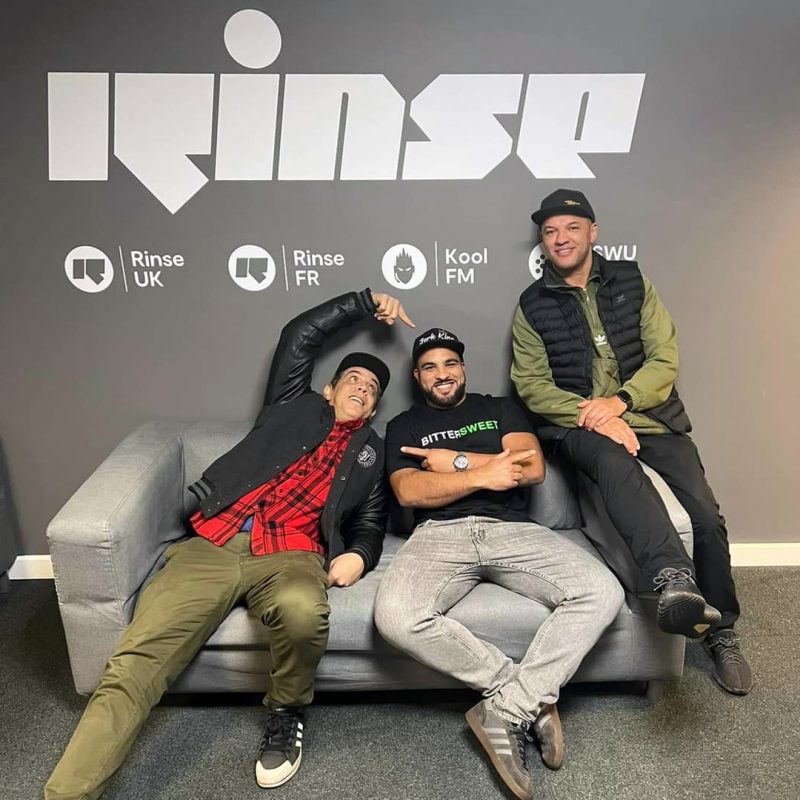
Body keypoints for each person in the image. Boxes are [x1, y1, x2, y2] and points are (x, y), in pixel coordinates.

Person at [45, 288, 415, 800]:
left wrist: (360, 554)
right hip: (215, 541)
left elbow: (371, 522)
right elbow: (299, 336)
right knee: (135, 663)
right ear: (329, 390)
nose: (362, 388)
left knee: (304, 611)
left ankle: (287, 711)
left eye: (372, 389)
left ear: (372, 409)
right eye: (353, 378)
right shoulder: (292, 405)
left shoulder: (371, 452)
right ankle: (67, 793)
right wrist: (361, 302)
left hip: (292, 554)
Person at [511, 188, 752, 695]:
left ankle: (722, 631)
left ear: (592, 232)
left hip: (650, 416)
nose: (560, 239)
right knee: (614, 464)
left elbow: (665, 358)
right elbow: (532, 386)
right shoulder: (531, 305)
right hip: (577, 426)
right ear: (543, 242)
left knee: (705, 517)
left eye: (571, 228)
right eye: (550, 232)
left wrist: (620, 403)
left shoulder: (633, 281)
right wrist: (593, 415)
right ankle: (673, 579)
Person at [374, 328, 624, 800]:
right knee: (395, 616)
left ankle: (506, 710)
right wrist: (489, 471)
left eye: (450, 363)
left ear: (463, 368)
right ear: (418, 377)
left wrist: (456, 463)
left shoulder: (499, 409)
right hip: (439, 535)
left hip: (512, 530)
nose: (442, 373)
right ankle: (524, 696)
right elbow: (408, 491)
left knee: (602, 591)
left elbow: (531, 468)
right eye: (429, 367)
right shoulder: (404, 425)